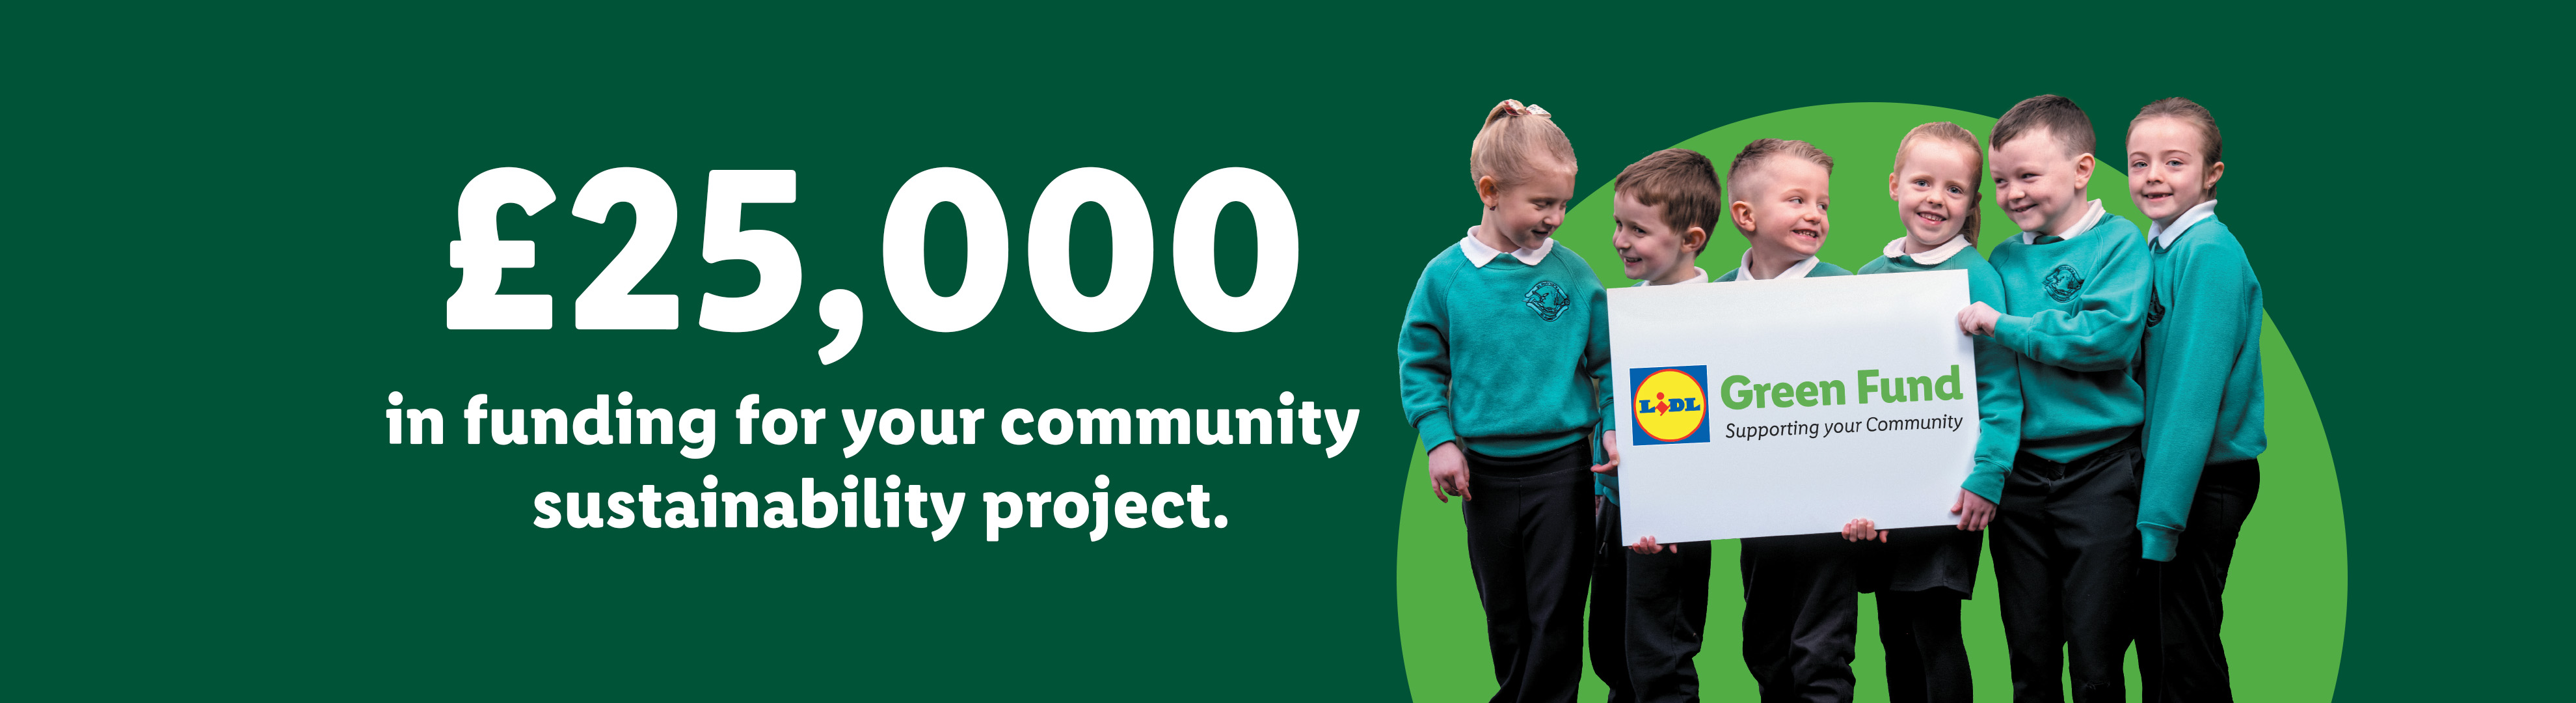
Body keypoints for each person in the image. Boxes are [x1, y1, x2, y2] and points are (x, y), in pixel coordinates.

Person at [1396, 99, 1615, 703]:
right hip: (1484, 477)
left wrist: (1614, 429)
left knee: (1557, 611)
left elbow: (1611, 366)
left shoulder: (1575, 276)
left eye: (1563, 203)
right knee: (1506, 613)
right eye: (1542, 204)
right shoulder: (1444, 278)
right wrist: (1439, 441)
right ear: (1491, 192)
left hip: (1564, 472)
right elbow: (1420, 364)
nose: (1557, 218)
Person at [1955, 94, 2151, 702]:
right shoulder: (2001, 260)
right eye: (2001, 181)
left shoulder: (2119, 245)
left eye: (2029, 176)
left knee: (2097, 657)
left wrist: (2002, 325)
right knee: (2029, 652)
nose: (2013, 193)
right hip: (2021, 482)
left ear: (2082, 170)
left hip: (2102, 475)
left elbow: (2106, 341)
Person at [1840, 121, 2023, 703]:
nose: (1935, 200)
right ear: (1894, 185)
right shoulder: (1868, 277)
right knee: (1892, 630)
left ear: (1971, 203)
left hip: (1948, 493)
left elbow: (1999, 385)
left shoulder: (1976, 276)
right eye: (1922, 182)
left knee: (1934, 628)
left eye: (1954, 190)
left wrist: (1988, 475)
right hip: (1885, 495)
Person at [1708, 137, 1862, 703]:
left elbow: (1881, 402)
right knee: (1765, 642)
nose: (1814, 215)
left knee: (1822, 648)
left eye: (1822, 204)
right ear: (1745, 216)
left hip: (1830, 514)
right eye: (1797, 200)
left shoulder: (1849, 295)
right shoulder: (1708, 302)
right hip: (1758, 510)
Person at [2124, 96, 2265, 703]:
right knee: (2155, 641)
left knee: (2184, 647)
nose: (2154, 175)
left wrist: (2159, 522)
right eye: (2139, 162)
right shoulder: (2156, 249)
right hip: (2169, 477)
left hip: (2202, 479)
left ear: (2212, 174)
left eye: (2174, 162)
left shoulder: (2207, 254)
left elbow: (2189, 399)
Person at [1590, 147, 1721, 703]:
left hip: (1673, 518)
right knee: (1611, 648)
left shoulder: (1720, 314)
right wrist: (1611, 432)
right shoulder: (1624, 307)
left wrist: (1667, 500)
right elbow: (1612, 389)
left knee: (1660, 654)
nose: (1621, 239)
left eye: (1637, 229)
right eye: (1618, 224)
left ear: (1691, 240)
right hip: (1617, 505)